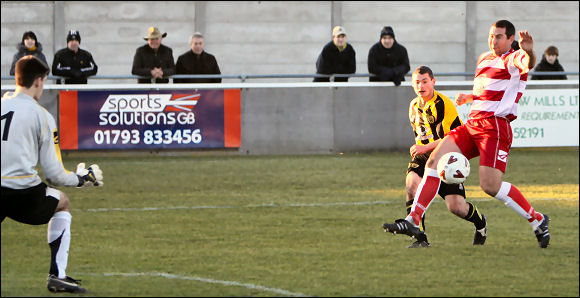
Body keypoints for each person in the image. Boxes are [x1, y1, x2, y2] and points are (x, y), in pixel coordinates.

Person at [383, 20, 551, 249]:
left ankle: (537, 219)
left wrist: (529, 50)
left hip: (495, 127)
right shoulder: (484, 58)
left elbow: (527, 62)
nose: (494, 40)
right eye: (492, 35)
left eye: (499, 36)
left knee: (490, 186)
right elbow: (490, 90)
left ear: (511, 39)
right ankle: (413, 220)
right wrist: (471, 97)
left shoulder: (513, 58)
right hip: (473, 124)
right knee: (434, 161)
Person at [1, 56, 104, 293]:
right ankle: (57, 275)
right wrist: (81, 179)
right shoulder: (42, 116)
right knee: (62, 202)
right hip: (22, 193)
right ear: (38, 81)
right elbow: (54, 174)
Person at [399, 65, 487, 248]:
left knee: (456, 207)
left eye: (425, 81)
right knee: (411, 185)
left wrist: (424, 148)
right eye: (417, 82)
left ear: (433, 82)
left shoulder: (444, 104)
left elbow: (452, 137)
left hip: (445, 158)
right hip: (424, 158)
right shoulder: (413, 105)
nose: (421, 85)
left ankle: (481, 224)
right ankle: (420, 238)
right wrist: (420, 150)